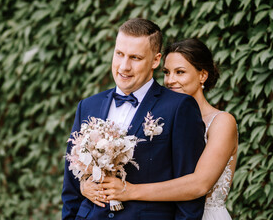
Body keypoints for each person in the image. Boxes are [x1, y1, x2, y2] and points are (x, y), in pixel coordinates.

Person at [62, 19, 206, 220]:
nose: (124, 66)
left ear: (155, 61)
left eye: (135, 58)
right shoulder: (87, 106)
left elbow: (190, 194)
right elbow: (71, 184)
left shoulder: (179, 107)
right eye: (119, 54)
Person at [81, 38, 238, 219]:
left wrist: (130, 191)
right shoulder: (164, 117)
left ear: (202, 75)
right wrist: (85, 184)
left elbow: (200, 184)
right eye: (166, 72)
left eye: (180, 72)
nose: (170, 81)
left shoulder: (222, 121)